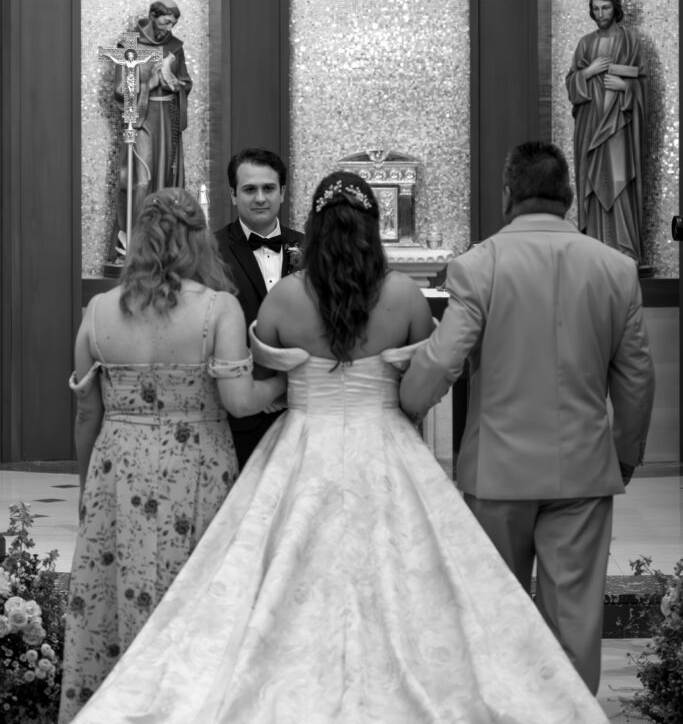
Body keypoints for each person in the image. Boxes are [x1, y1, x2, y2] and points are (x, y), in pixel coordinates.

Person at [69, 171, 608, 723]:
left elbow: (260, 369)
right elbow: (418, 382)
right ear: (374, 228)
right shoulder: (403, 297)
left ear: (315, 228)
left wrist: (298, 384)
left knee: (278, 577)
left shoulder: (284, 299)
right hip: (386, 444)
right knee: (413, 576)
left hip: (301, 445)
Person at [400, 141, 656, 695]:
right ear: (567, 197)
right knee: (575, 623)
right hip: (584, 469)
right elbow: (635, 378)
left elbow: (443, 360)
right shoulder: (615, 269)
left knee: (497, 615)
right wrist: (625, 454)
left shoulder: (480, 264)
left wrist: (404, 408)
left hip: (498, 473)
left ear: (507, 194)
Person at [58, 188, 285, 724]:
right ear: (198, 239)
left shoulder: (98, 311)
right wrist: (285, 386)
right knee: (195, 596)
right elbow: (239, 400)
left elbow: (86, 416)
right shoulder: (217, 308)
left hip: (118, 469)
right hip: (198, 469)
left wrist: (88, 487)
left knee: (117, 597)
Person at [214, 147, 303, 467]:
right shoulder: (211, 252)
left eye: (268, 188)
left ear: (283, 192)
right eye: (249, 189)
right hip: (237, 410)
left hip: (303, 406)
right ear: (234, 195)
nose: (260, 198)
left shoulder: (312, 248)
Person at [565, 0, 647, 263]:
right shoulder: (585, 44)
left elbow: (643, 85)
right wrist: (588, 72)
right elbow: (572, 86)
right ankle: (594, 251)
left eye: (606, 7)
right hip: (590, 127)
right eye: (596, 8)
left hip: (619, 129)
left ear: (616, 8)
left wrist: (626, 86)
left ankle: (625, 251)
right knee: (593, 182)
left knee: (620, 182)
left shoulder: (630, 42)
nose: (600, 13)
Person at [110, 0, 192, 261]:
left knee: (165, 180)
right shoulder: (130, 44)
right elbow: (121, 90)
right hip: (141, 119)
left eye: (174, 23)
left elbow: (185, 82)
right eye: (166, 21)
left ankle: (162, 244)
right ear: (152, 16)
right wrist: (151, 79)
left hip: (167, 119)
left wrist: (173, 83)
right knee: (140, 180)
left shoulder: (174, 46)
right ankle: (133, 242)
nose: (169, 28)